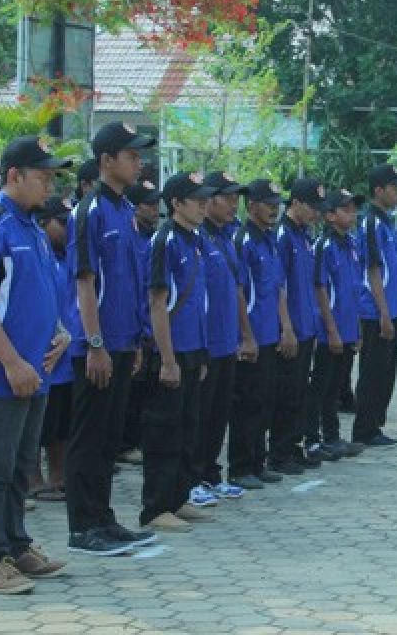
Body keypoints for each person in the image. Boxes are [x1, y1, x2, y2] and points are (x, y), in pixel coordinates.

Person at [0, 136, 71, 594]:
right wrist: (11, 362)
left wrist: (60, 332)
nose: (49, 184)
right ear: (14, 176)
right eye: (42, 175)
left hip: (37, 371)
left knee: (18, 467)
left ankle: (14, 545)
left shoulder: (33, 226)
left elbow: (37, 294)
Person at [65, 121, 159, 556]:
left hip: (124, 342)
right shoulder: (89, 211)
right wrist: (96, 344)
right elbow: (86, 283)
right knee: (89, 436)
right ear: (107, 161)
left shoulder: (125, 210)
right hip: (96, 347)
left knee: (109, 436)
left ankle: (104, 519)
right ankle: (83, 528)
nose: (139, 162)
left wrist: (137, 340)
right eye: (131, 155)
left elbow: (132, 282)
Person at [140, 171, 217, 533]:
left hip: (192, 348)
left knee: (188, 429)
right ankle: (155, 507)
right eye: (197, 199)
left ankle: (178, 496)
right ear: (176, 204)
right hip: (169, 352)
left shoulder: (196, 239)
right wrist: (167, 359)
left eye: (206, 199)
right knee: (164, 431)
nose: (205, 205)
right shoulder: (165, 240)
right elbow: (158, 303)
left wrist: (199, 354)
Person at [190, 171, 257, 506]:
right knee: (199, 414)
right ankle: (193, 477)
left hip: (227, 340)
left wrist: (246, 334)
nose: (234, 205)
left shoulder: (228, 237)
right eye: (227, 198)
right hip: (205, 341)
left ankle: (212, 474)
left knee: (219, 413)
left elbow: (238, 289)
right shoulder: (196, 238)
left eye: (236, 198)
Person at [228, 180, 290, 490]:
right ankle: (240, 466)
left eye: (277, 203)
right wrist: (246, 335)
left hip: (269, 334)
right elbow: (240, 292)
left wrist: (284, 327)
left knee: (265, 401)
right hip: (251, 335)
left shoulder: (269, 240)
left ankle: (257, 461)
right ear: (251, 206)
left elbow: (277, 288)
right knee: (247, 403)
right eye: (268, 203)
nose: (274, 208)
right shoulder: (243, 240)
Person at [270, 178, 325, 474]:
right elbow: (279, 286)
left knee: (300, 393)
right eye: (312, 207)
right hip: (290, 328)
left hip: (307, 326)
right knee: (286, 394)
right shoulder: (283, 235)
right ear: (296, 203)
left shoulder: (305, 235)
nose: (316, 213)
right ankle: (279, 452)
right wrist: (286, 326)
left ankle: (293, 446)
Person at [305, 189, 365, 461]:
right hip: (329, 330)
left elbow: (354, 289)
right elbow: (320, 290)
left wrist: (357, 328)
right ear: (329, 215)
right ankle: (313, 439)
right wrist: (330, 330)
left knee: (337, 385)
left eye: (353, 209)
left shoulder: (351, 244)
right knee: (321, 386)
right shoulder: (323, 246)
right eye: (345, 209)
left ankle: (332, 436)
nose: (351, 214)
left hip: (348, 328)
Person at [28, 196, 77, 504]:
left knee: (60, 420)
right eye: (62, 223)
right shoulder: (38, 253)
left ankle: (59, 474)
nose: (68, 228)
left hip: (66, 352)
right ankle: (33, 479)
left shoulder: (65, 257)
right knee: (37, 422)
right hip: (40, 352)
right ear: (44, 223)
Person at [352, 165, 397, 447]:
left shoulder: (388, 223)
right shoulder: (370, 223)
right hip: (374, 311)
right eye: (395, 188)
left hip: (391, 309)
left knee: (386, 374)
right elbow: (373, 270)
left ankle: (376, 426)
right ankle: (364, 428)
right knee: (372, 372)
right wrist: (384, 312)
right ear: (379, 191)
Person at [118, 179, 161, 465]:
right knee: (131, 393)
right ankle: (125, 443)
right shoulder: (131, 237)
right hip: (133, 325)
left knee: (145, 389)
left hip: (149, 325)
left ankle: (138, 439)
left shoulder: (152, 238)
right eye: (148, 204)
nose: (155, 209)